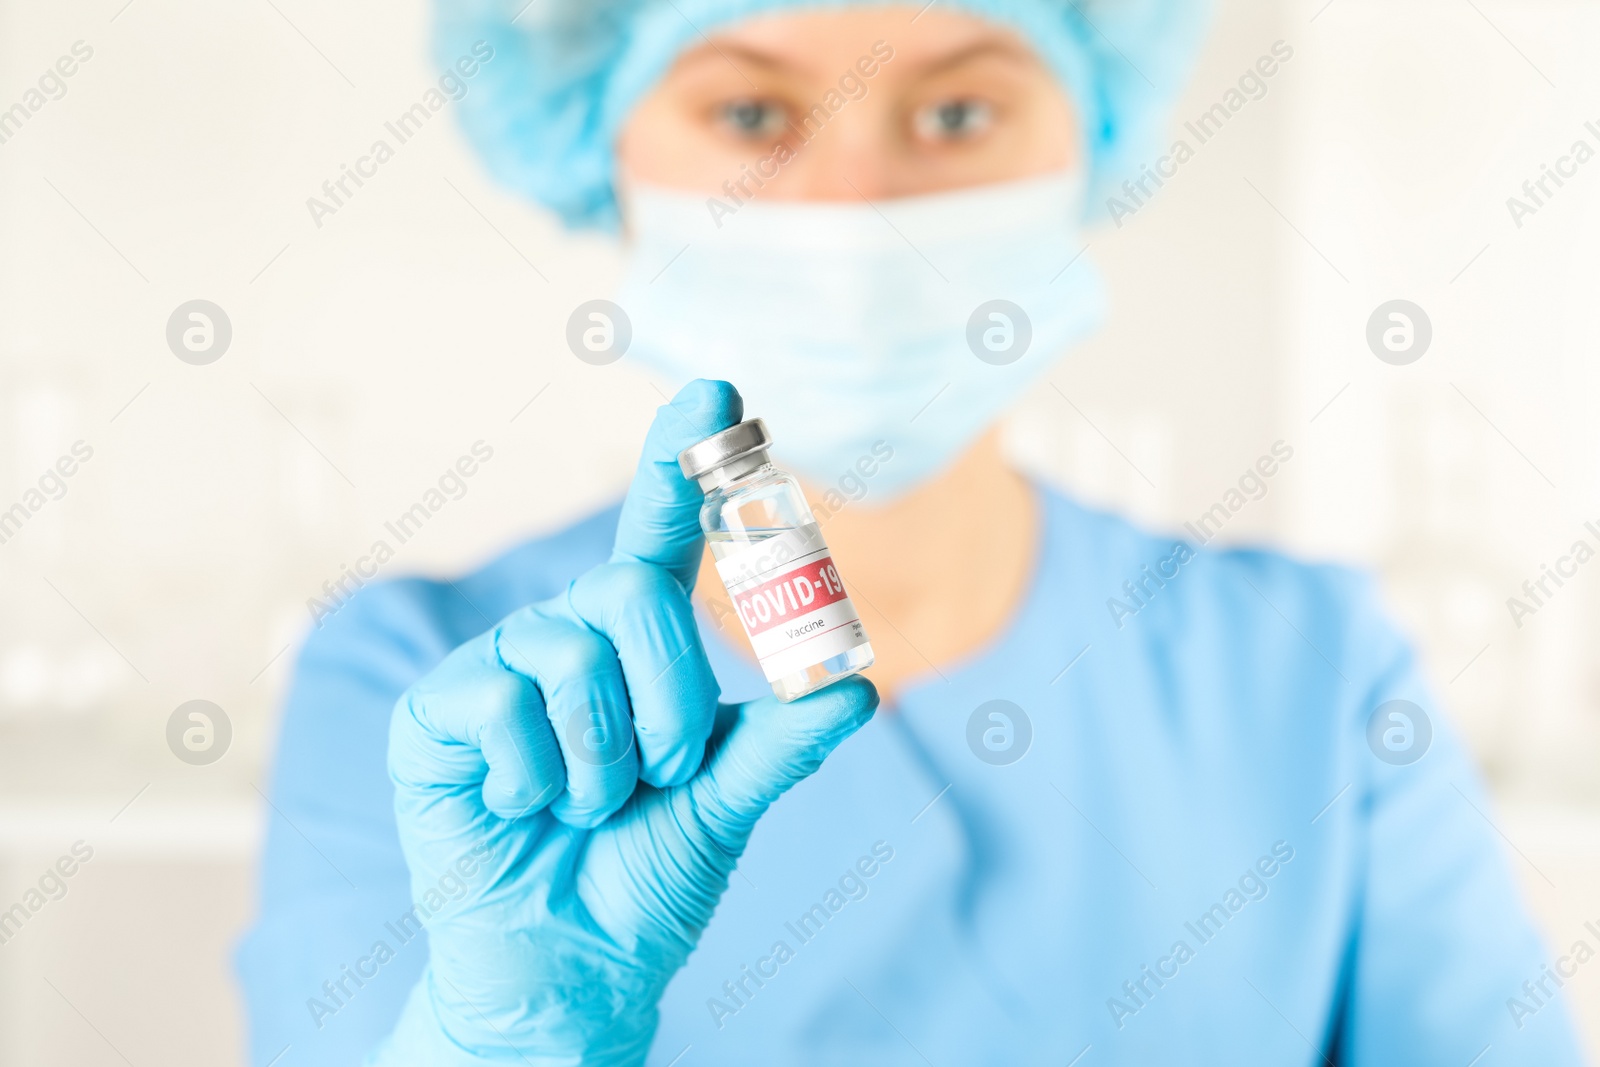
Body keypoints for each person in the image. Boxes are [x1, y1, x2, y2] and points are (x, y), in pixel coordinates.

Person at [237, 2, 1584, 1064]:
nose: (854, 201)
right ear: (604, 143)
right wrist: (507, 1052)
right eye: (754, 109)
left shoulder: (1309, 670)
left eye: (957, 109)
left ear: (1091, 137)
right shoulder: (441, 692)